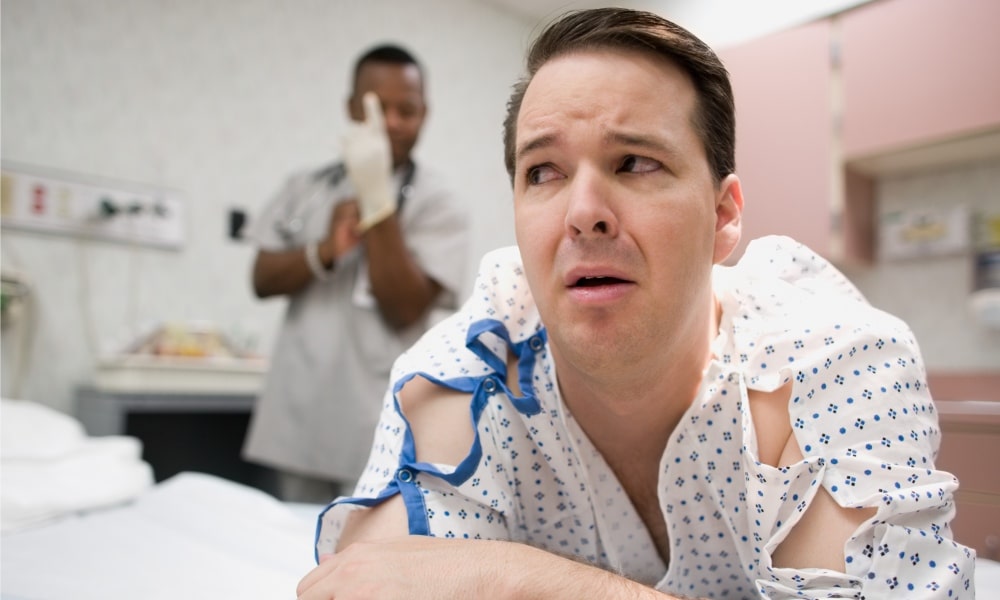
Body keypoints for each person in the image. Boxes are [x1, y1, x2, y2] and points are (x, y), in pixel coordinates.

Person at [296, 9, 976, 599]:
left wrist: (519, 580)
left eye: (634, 162)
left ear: (723, 214)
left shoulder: (832, 363)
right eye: (544, 172)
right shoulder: (461, 376)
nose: (583, 213)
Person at [242, 44, 468, 503]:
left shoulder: (439, 201)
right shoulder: (307, 188)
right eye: (377, 108)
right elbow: (262, 279)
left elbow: (405, 308)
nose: (392, 122)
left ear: (424, 114)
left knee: (360, 563)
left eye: (406, 110)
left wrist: (376, 200)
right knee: (283, 557)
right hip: (299, 417)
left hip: (375, 424)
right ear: (351, 108)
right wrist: (324, 250)